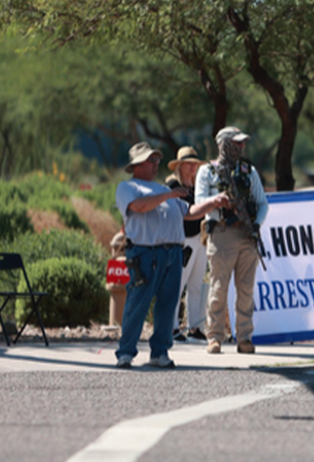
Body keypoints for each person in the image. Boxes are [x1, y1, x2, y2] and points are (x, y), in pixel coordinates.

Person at [114, 141, 226, 369]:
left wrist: (213, 202)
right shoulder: (128, 187)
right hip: (145, 253)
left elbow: (190, 212)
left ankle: (160, 352)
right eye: (150, 160)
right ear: (136, 165)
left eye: (156, 160)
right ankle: (126, 352)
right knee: (138, 303)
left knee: (168, 304)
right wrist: (169, 195)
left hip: (173, 253)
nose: (156, 164)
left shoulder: (166, 191)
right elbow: (139, 207)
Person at [196, 126, 269, 355]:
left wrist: (255, 224)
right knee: (218, 288)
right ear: (224, 144)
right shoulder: (207, 172)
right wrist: (217, 201)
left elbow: (263, 203)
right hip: (222, 233)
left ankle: (244, 338)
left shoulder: (249, 171)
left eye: (242, 143)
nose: (241, 147)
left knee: (246, 291)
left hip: (247, 236)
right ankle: (214, 337)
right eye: (236, 143)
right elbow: (199, 202)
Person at [165, 146, 209, 343]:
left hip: (200, 238)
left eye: (195, 164)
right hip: (185, 238)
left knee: (196, 285)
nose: (193, 168)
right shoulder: (173, 185)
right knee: (178, 284)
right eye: (189, 164)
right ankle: (172, 325)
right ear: (180, 166)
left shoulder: (198, 186)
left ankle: (195, 326)